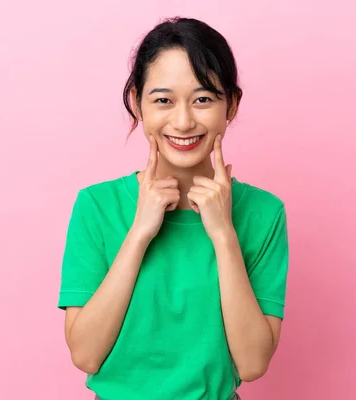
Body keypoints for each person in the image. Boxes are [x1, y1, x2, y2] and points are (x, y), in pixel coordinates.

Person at [58, 17, 289, 400]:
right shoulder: (97, 205)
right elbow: (85, 355)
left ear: (231, 105)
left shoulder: (264, 212)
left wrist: (223, 235)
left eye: (203, 99)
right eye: (163, 100)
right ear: (137, 103)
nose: (183, 122)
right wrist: (139, 234)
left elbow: (252, 364)